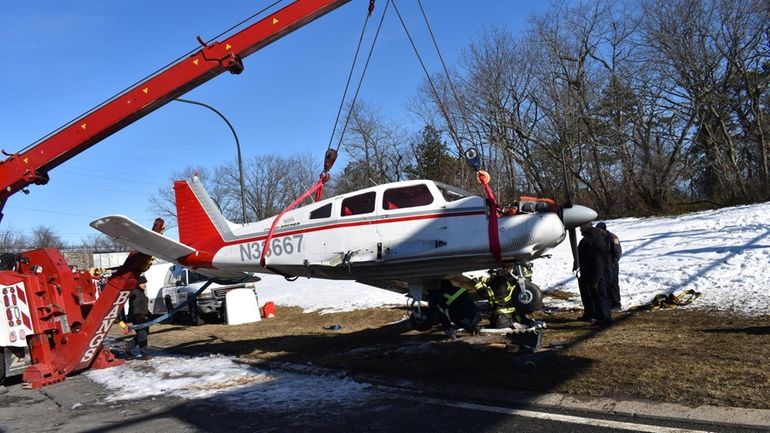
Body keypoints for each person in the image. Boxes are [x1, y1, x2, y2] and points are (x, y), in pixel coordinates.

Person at [577, 223, 613, 327]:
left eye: (581, 229)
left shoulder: (595, 242)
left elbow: (598, 262)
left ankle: (606, 319)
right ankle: (600, 318)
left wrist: (596, 279)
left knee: (601, 297)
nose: (580, 231)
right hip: (591, 275)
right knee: (596, 298)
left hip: (597, 276)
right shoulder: (591, 240)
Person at [596, 222, 622, 311]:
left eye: (599, 230)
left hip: (612, 264)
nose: (598, 231)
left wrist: (613, 262)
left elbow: (617, 251)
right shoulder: (599, 238)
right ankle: (609, 303)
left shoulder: (612, 237)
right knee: (606, 284)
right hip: (604, 265)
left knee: (613, 284)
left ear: (604, 229)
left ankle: (616, 303)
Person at [125, 275, 152, 359]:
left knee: (143, 335)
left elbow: (143, 306)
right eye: (143, 283)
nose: (145, 285)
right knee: (142, 335)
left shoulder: (141, 292)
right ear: (138, 283)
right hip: (138, 318)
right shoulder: (135, 293)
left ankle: (128, 346)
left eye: (145, 283)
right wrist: (132, 319)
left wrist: (149, 314)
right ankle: (144, 354)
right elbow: (133, 307)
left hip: (144, 317)